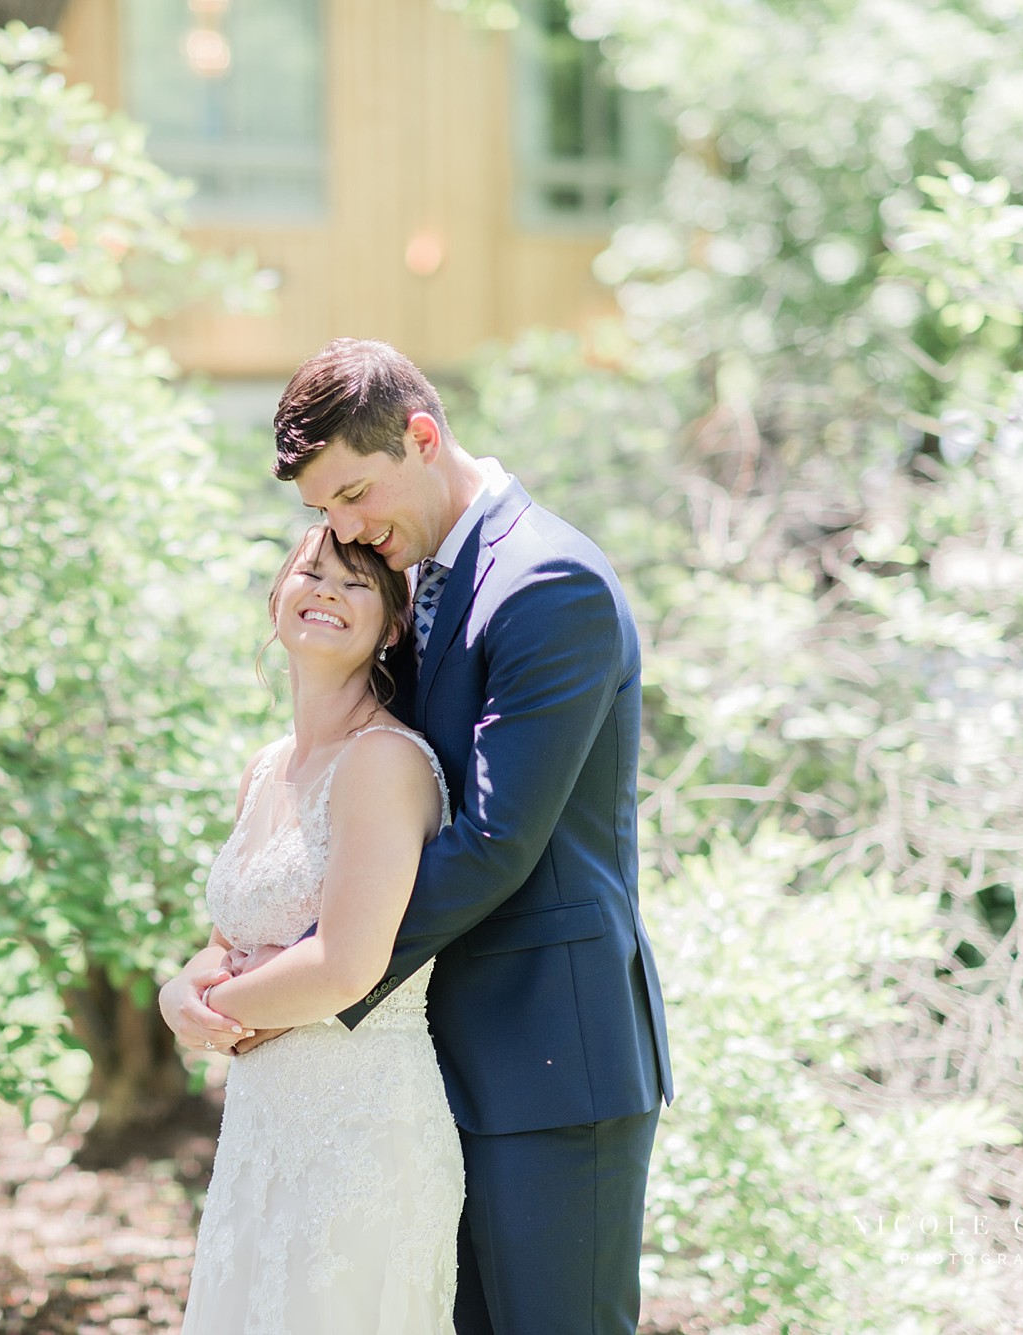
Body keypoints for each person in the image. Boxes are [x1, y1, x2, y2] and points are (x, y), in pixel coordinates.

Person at [162, 338, 672, 1335]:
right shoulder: (416, 581)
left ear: (421, 437)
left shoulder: (543, 582)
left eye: (353, 494)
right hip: (420, 1070)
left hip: (545, 1056)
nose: (345, 532)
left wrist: (300, 982)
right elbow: (345, 834)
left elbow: (492, 841)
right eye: (321, 515)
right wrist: (232, 965)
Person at [175, 520, 462, 1335]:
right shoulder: (263, 769)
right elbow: (229, 939)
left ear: (394, 625)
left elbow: (346, 965)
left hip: (360, 1128)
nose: (329, 591)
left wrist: (217, 1012)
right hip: (263, 1126)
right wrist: (177, 992)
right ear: (278, 598)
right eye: (313, 573)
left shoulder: (385, 761)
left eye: (357, 582)